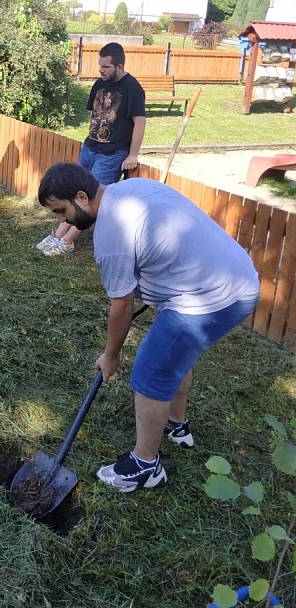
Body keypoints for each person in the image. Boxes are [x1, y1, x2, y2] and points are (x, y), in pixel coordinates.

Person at [38, 163, 260, 493]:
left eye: (62, 211)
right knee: (173, 356)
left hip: (212, 296)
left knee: (151, 371)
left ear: (82, 197)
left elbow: (122, 306)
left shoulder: (111, 235)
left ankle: (145, 465)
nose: (63, 221)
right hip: (235, 279)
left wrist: (110, 356)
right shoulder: (129, 191)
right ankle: (175, 425)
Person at [37, 42, 146, 256]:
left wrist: (133, 154)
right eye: (100, 65)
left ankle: (67, 241)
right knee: (72, 191)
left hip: (112, 154)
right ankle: (57, 236)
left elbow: (140, 122)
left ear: (119, 66)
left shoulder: (132, 88)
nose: (101, 70)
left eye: (106, 67)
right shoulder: (99, 84)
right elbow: (95, 115)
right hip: (90, 148)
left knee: (90, 198)